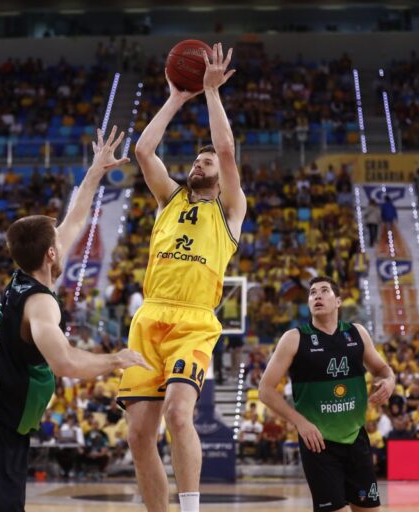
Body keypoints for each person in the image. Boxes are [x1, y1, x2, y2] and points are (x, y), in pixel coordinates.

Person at [0, 127, 150, 511]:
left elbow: (75, 220)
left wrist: (95, 172)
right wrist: (117, 359)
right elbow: (65, 362)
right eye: (57, 239)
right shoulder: (41, 304)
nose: (64, 237)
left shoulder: (22, 277)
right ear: (51, 254)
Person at [118, 43, 246, 512]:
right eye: (196, 160)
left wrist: (210, 92)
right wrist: (176, 97)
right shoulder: (169, 199)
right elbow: (143, 150)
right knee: (138, 434)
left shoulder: (230, 211)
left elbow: (226, 149)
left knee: (177, 413)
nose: (199, 164)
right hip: (149, 317)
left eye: (205, 163)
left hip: (193, 322)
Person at [259, 276, 395, 512]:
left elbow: (383, 370)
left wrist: (390, 381)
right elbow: (265, 389)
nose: (317, 296)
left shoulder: (357, 333)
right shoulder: (294, 338)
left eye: (324, 291)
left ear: (338, 301)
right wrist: (300, 423)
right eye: (312, 293)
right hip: (318, 443)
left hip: (356, 438)